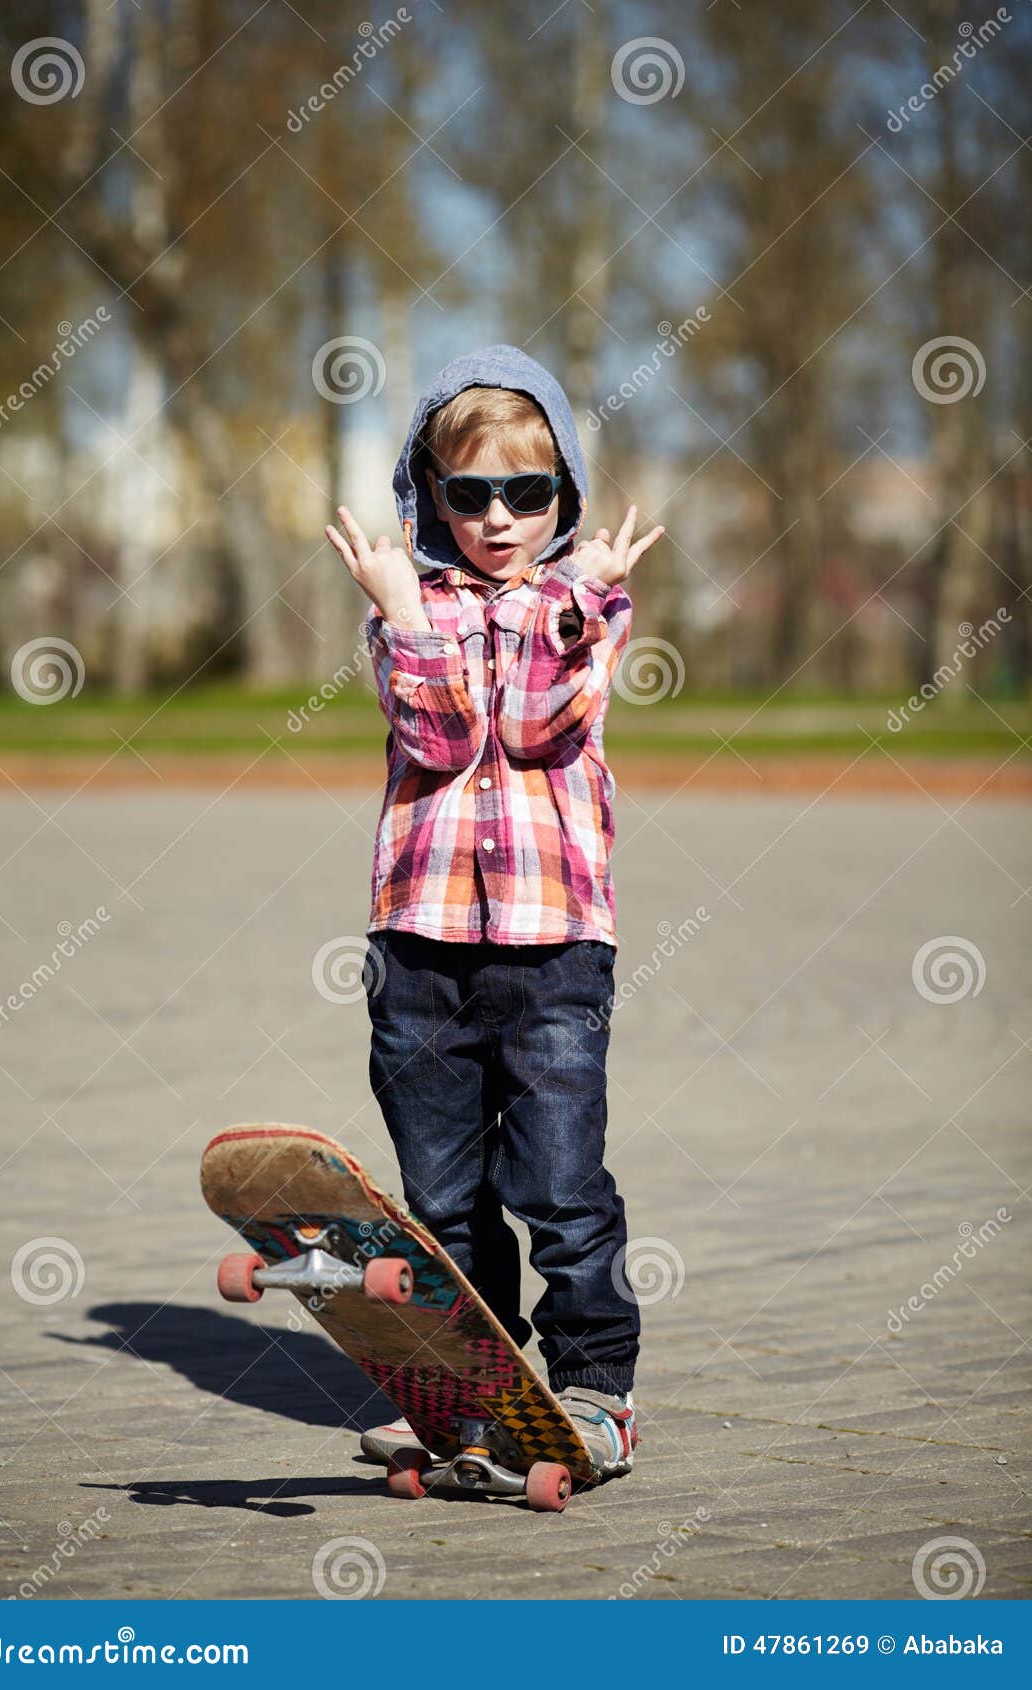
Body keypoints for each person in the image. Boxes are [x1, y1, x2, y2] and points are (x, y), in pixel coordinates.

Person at [325, 344, 664, 1478]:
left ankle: (595, 1389)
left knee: (558, 1188)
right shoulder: (400, 608)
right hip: (417, 948)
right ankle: (470, 1387)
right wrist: (404, 619)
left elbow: (530, 727)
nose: (498, 517)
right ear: (431, 496)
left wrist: (582, 609)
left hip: (553, 949)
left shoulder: (583, 605)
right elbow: (433, 737)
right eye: (467, 493)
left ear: (561, 492)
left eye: (528, 491)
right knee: (441, 1194)